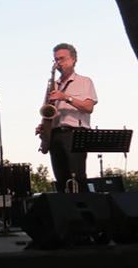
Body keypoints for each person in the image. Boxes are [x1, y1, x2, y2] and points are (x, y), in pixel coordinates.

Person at [36, 43, 97, 193]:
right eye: (56, 60)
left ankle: (83, 212)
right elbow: (47, 112)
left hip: (75, 133)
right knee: (61, 180)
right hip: (55, 134)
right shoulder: (53, 85)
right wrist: (43, 126)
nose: (58, 63)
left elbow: (89, 108)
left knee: (78, 178)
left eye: (62, 59)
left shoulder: (85, 81)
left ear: (74, 60)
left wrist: (65, 97)